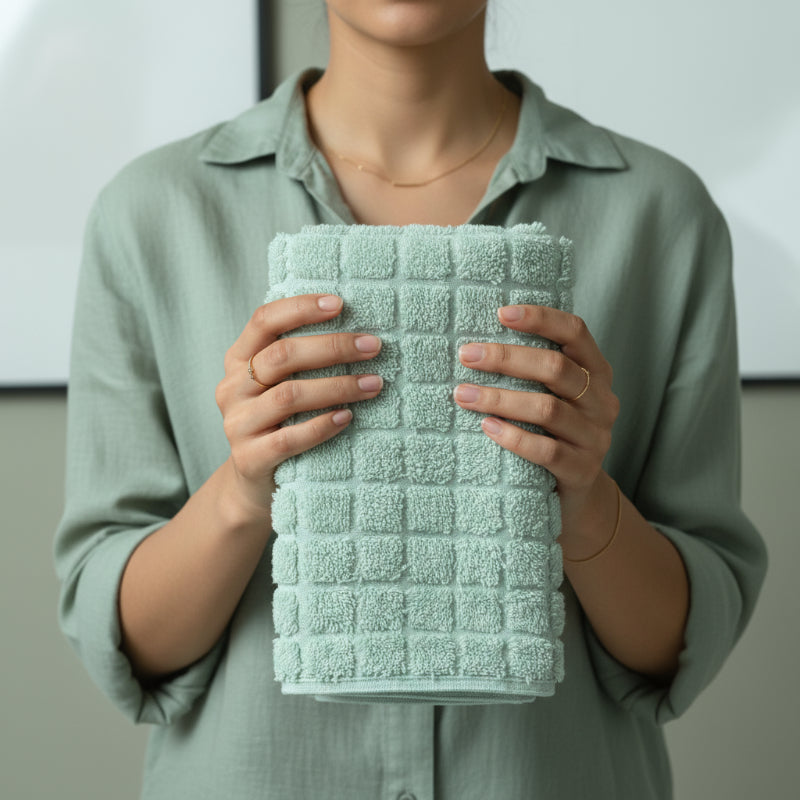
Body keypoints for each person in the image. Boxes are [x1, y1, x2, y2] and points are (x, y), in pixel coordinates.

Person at [54, 2, 767, 798]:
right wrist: (245, 490)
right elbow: (125, 641)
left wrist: (585, 501)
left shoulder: (662, 214)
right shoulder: (153, 212)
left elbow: (678, 644)